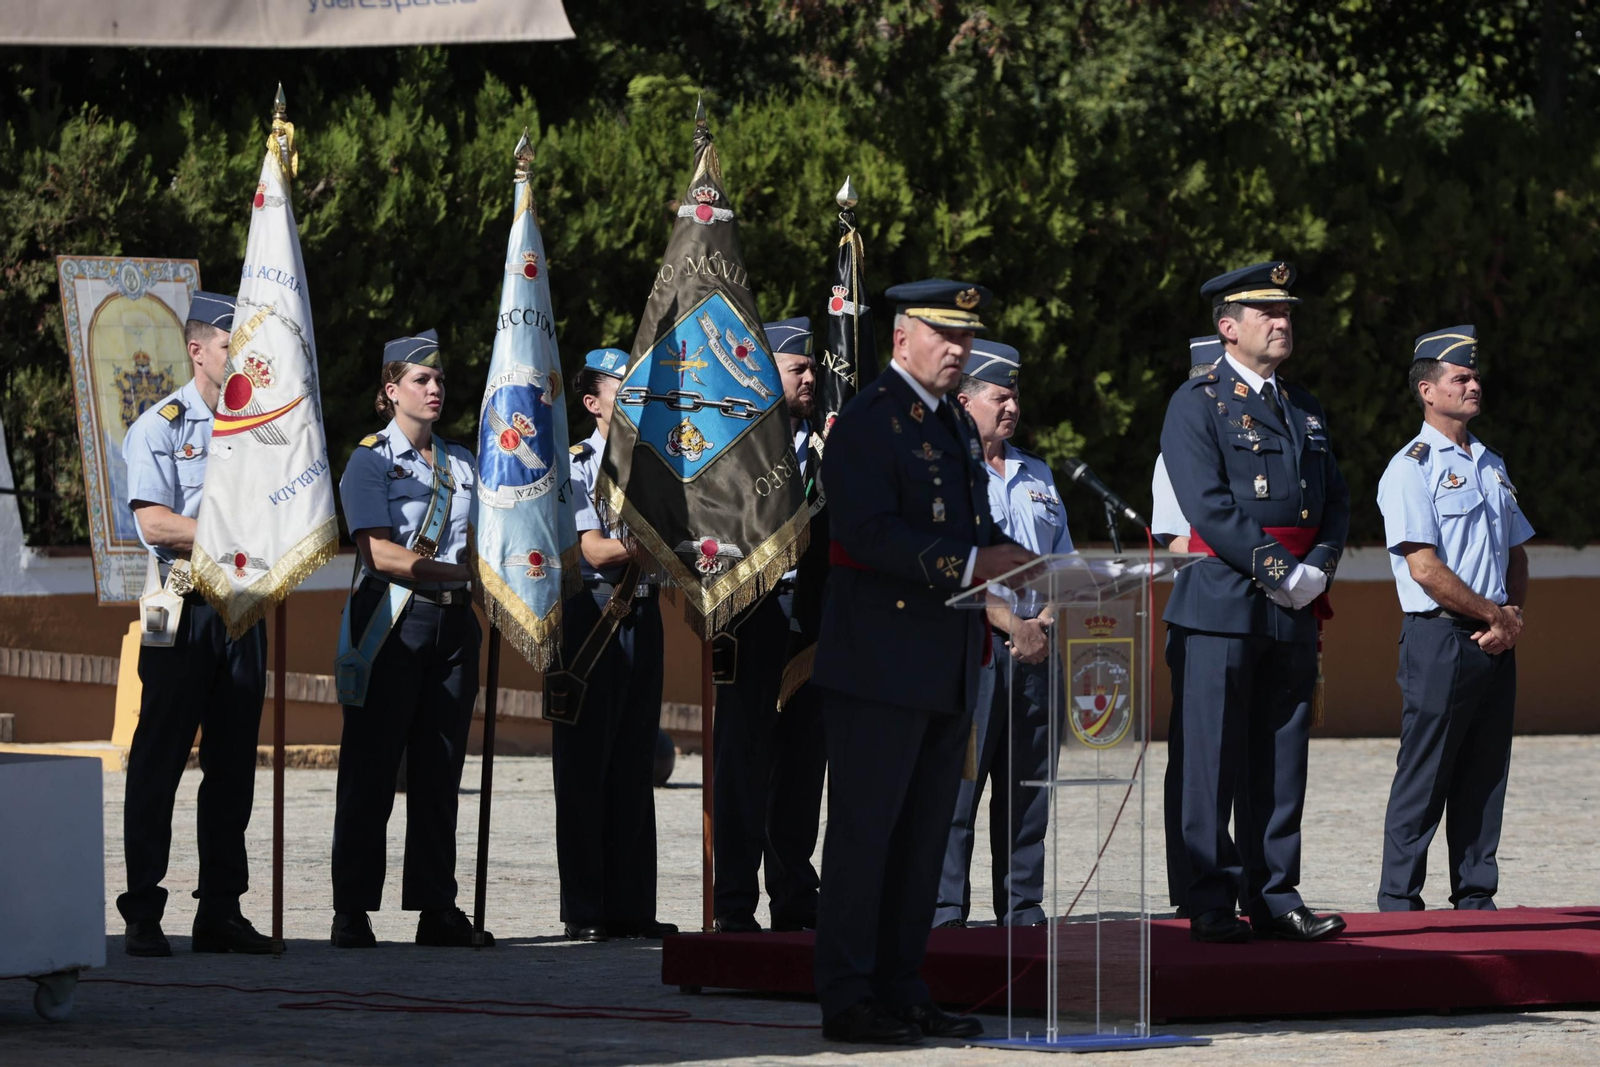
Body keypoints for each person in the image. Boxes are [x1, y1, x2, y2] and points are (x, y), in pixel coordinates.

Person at [810, 279, 1036, 1045]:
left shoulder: (952, 426)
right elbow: (866, 534)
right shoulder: (873, 420)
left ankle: (903, 984)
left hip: (943, 658)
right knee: (866, 835)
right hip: (879, 660)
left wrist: (1004, 570)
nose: (959, 350)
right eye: (945, 335)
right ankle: (848, 995)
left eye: (967, 338)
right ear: (902, 336)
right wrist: (976, 561)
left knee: (922, 840)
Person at [1160, 261, 1350, 944]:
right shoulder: (1197, 402)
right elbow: (1207, 505)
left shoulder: (1303, 405)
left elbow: (1336, 498)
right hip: (1222, 604)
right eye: (1267, 312)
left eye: (1287, 311)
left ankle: (1274, 892)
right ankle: (1211, 896)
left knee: (1281, 752)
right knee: (1211, 758)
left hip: (1293, 603)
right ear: (1227, 325)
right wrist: (1280, 568)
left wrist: (1318, 569)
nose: (1282, 321)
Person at [118, 290, 273, 957]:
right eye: (230, 343)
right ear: (198, 348)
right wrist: (228, 534)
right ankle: (143, 909)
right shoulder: (162, 424)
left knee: (234, 766)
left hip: (243, 609)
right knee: (159, 759)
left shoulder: (261, 426)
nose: (240, 355)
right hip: (183, 609)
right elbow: (153, 521)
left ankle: (219, 910)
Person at [330, 329, 486, 949]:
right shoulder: (370, 459)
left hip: (453, 624)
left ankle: (435, 907)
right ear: (391, 391)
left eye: (439, 380)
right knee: (371, 768)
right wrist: (462, 573)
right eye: (421, 380)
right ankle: (351, 909)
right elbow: (378, 553)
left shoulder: (464, 462)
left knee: (440, 768)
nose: (434, 389)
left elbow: (485, 541)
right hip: (393, 619)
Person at [1374, 325, 1531, 912]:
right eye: (1459, 378)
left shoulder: (1491, 464)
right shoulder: (1410, 467)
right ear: (1426, 390)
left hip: (1496, 637)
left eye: (1474, 376)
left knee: (1486, 771)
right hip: (1439, 637)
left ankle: (1475, 895)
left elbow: (1515, 550)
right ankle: (1398, 900)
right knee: (1426, 772)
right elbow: (1424, 567)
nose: (1473, 385)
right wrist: (1495, 613)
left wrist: (1510, 615)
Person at [934, 339, 1072, 929]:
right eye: (999, 395)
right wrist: (1011, 623)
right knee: (960, 790)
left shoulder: (1036, 472)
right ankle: (945, 910)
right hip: (977, 646)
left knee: (1028, 788)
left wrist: (1045, 621)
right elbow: (953, 567)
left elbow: (1062, 560)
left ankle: (1023, 906)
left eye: (1015, 394)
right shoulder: (947, 472)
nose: (1011, 405)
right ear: (965, 401)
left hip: (1039, 646)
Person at [550, 347, 676, 943]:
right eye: (623, 390)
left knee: (634, 766)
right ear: (593, 402)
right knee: (585, 768)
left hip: (645, 616)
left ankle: (632, 906)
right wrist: (660, 543)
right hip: (592, 617)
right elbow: (595, 550)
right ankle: (586, 908)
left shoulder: (660, 462)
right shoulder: (573, 464)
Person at [711, 318, 825, 934]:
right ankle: (733, 902)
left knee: (804, 767)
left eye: (812, 368)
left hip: (812, 621)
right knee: (744, 763)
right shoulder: (737, 448)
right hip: (752, 617)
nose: (810, 378)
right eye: (796, 368)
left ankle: (795, 895)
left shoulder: (828, 445)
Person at [1154, 334, 1225, 917]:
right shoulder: (1178, 447)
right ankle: (1194, 883)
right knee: (1200, 761)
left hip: (1255, 607)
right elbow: (1171, 539)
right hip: (1203, 611)